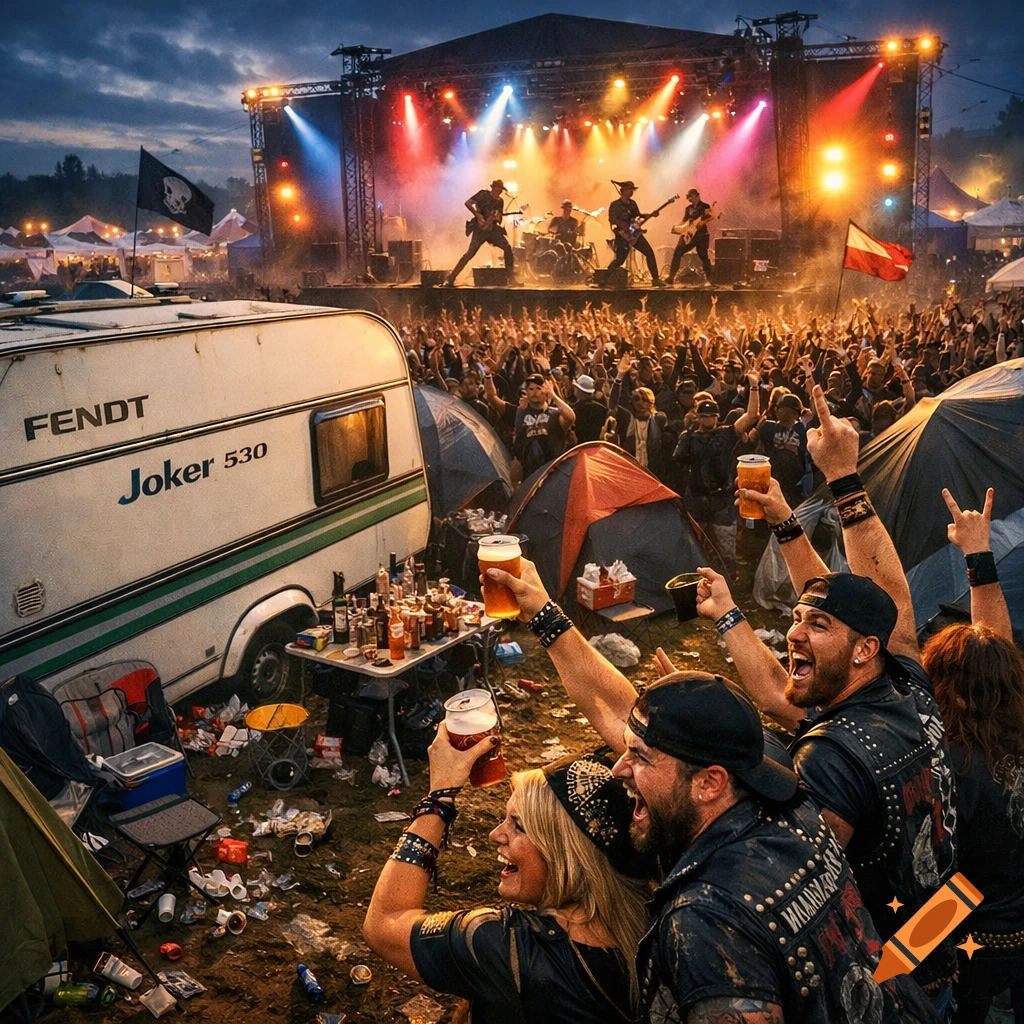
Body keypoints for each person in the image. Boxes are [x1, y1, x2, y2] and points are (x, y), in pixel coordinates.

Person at [475, 558, 942, 1023]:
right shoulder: (794, 795)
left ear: (710, 782)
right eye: (796, 618)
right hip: (926, 966)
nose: (617, 767)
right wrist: (545, 615)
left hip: (927, 963)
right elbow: (621, 712)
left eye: (641, 756)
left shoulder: (707, 919)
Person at [715, 384, 960, 1017]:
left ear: (861, 652)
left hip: (888, 979)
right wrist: (833, 488)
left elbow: (788, 880)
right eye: (794, 620)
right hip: (940, 937)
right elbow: (882, 603)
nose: (793, 632)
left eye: (812, 627)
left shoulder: (831, 756)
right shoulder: (907, 679)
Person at [362, 725, 652, 1024]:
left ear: (568, 854)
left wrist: (439, 798)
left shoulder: (503, 944)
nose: (495, 834)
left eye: (518, 825)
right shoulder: (657, 917)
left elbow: (384, 923)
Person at [922, 488, 1024, 1024]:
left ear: (946, 687)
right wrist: (977, 556)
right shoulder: (1019, 728)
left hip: (967, 934)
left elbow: (942, 879)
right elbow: (994, 647)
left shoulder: (948, 763)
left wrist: (889, 967)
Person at [672, 377, 760, 576]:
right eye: (704, 416)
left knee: (727, 551)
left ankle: (729, 581)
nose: (708, 419)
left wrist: (753, 385)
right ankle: (695, 580)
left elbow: (751, 415)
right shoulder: (688, 437)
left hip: (721, 500)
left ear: (717, 416)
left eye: (712, 415)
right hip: (696, 498)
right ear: (697, 416)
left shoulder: (726, 435)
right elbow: (677, 461)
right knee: (694, 545)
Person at [446, 179, 515, 287]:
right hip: (480, 230)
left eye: (501, 190)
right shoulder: (483, 194)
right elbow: (468, 203)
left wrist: (495, 217)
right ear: (494, 188)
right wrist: (477, 215)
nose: (500, 192)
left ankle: (510, 279)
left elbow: (499, 218)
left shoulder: (500, 201)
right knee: (469, 254)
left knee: (507, 248)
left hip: (492, 230)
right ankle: (451, 278)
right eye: (499, 189)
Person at [512, 372, 575, 485]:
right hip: (530, 476)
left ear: (545, 392)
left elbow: (571, 417)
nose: (534, 392)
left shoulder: (555, 413)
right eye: (531, 389)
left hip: (553, 474)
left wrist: (553, 395)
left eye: (538, 388)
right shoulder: (521, 412)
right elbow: (518, 448)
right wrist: (515, 482)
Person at [757, 392, 809, 508]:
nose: (786, 413)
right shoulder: (767, 427)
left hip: (795, 486)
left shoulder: (802, 431)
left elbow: (806, 459)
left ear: (796, 414)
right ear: (776, 410)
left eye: (790, 411)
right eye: (783, 409)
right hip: (771, 480)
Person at [607, 181, 663, 285]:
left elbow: (638, 215)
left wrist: (650, 215)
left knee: (649, 252)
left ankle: (655, 279)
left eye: (632, 190)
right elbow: (612, 219)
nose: (631, 192)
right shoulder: (615, 205)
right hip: (622, 235)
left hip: (634, 233)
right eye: (629, 190)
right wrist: (624, 226)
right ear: (622, 191)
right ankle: (604, 279)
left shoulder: (632, 204)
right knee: (619, 260)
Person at [667, 188, 714, 284]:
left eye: (691, 196)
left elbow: (710, 216)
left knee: (703, 256)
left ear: (697, 196)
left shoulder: (705, 206)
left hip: (701, 235)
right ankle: (671, 278)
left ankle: (710, 279)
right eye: (688, 197)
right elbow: (684, 220)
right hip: (689, 235)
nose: (689, 199)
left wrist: (702, 222)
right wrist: (679, 228)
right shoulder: (688, 208)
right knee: (677, 253)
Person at [571, 374, 610, 443]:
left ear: (579, 390)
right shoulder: (602, 409)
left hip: (578, 446)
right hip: (596, 446)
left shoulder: (574, 409)